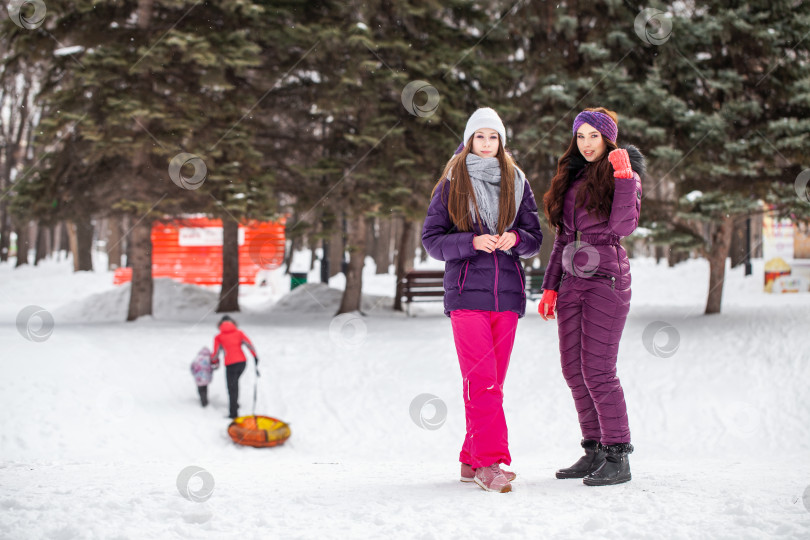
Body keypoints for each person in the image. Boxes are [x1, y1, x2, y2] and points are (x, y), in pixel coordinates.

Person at [422, 107, 543, 493]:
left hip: (506, 297)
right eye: (480, 137)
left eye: (494, 137)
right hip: (466, 296)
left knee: (491, 384)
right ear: (470, 140)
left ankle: (469, 458)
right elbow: (432, 240)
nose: (487, 144)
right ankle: (490, 464)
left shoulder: (517, 181)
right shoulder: (453, 182)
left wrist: (518, 239)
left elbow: (534, 235)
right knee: (482, 382)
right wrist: (470, 242)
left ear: (501, 141)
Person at [538, 107, 645, 486]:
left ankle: (619, 456)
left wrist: (625, 175)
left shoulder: (622, 176)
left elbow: (623, 226)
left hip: (606, 279)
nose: (586, 144)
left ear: (608, 139)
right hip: (571, 281)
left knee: (598, 370)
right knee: (573, 369)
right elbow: (563, 238)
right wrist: (551, 285)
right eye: (580, 136)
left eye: (593, 136)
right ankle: (595, 450)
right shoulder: (570, 176)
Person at [212, 315, 259, 419]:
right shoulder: (239, 333)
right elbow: (249, 345)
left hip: (230, 364)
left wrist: (214, 362)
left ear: (220, 324)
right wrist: (255, 357)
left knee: (232, 387)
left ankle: (233, 413)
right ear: (233, 323)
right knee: (234, 384)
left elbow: (215, 353)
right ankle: (235, 404)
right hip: (242, 363)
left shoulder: (218, 337)